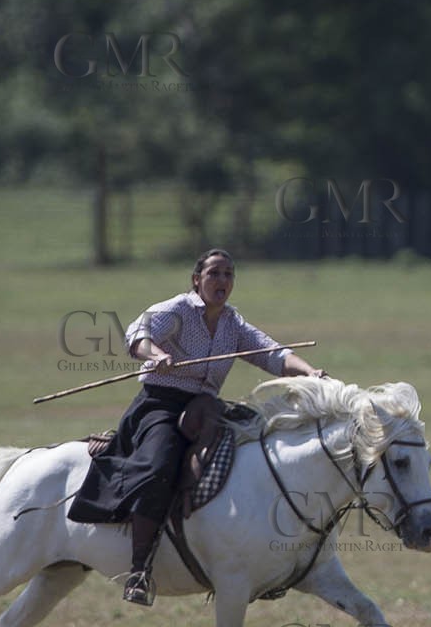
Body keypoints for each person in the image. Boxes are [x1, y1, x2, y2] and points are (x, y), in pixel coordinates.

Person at [68, 249, 323, 606]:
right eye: (214, 274)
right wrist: (157, 356)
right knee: (158, 468)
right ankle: (139, 570)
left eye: (229, 275)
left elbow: (273, 354)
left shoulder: (234, 324)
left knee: (257, 448)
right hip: (160, 405)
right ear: (196, 280)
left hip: (205, 409)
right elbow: (138, 334)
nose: (222, 282)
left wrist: (311, 373)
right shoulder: (177, 311)